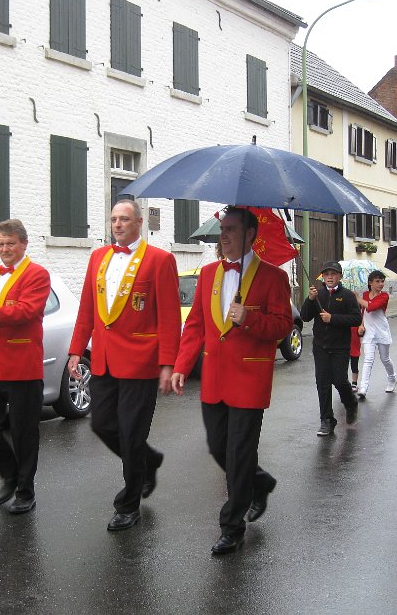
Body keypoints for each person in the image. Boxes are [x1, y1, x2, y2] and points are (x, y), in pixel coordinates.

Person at [170, 206, 292, 555]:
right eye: (222, 229)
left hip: (250, 379)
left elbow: (283, 325)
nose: (223, 236)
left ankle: (232, 527)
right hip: (215, 378)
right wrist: (181, 365)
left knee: (239, 453)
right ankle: (260, 481)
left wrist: (249, 319)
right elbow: (196, 325)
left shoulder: (273, 277)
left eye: (232, 229)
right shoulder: (209, 273)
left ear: (250, 234)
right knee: (217, 447)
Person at [68, 200, 181, 532]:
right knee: (102, 425)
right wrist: (76, 350)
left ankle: (128, 504)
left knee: (131, 435)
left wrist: (167, 364)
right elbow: (87, 309)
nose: (117, 224)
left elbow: (169, 317)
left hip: (140, 362)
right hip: (103, 359)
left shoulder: (160, 260)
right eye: (114, 219)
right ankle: (149, 460)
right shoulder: (98, 257)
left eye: (124, 219)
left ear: (139, 222)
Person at [0, 219, 51, 514]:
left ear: (24, 244)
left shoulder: (37, 274)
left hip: (22, 366)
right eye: (1, 244)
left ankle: (25, 492)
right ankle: (10, 474)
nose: (4, 249)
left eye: (10, 243)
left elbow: (26, 311)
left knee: (23, 433)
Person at [300, 261, 362, 436]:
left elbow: (356, 319)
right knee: (323, 383)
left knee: (340, 380)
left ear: (339, 276)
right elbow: (305, 316)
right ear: (322, 277)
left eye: (333, 274)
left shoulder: (348, 296)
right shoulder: (317, 294)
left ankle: (351, 404)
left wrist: (332, 318)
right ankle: (327, 420)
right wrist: (310, 299)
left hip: (340, 347)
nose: (329, 277)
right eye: (326, 274)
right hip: (321, 346)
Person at [355, 270, 396, 398]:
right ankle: (363, 388)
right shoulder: (365, 294)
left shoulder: (384, 296)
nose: (381, 284)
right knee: (368, 359)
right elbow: (363, 311)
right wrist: (361, 325)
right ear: (370, 283)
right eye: (377, 281)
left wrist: (357, 298)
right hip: (369, 332)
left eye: (382, 281)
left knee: (385, 359)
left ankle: (392, 379)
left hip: (381, 331)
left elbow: (372, 307)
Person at [349, 324, 361, 391]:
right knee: (342, 366)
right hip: (343, 346)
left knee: (354, 365)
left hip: (355, 346)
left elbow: (361, 332)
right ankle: (344, 382)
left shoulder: (357, 321)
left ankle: (354, 383)